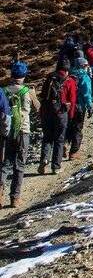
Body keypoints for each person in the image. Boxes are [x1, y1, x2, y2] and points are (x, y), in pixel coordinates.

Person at [1, 60, 37, 207]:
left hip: (6, 131)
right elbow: (38, 108)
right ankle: (15, 197)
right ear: (24, 75)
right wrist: (34, 95)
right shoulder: (26, 91)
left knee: (5, 163)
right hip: (23, 130)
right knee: (19, 164)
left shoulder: (3, 90)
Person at [38, 61, 77, 175]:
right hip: (61, 113)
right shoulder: (69, 81)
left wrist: (42, 114)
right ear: (66, 70)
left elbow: (43, 97)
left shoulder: (49, 79)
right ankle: (55, 166)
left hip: (47, 112)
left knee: (47, 138)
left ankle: (44, 159)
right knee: (59, 140)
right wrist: (70, 115)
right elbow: (73, 100)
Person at [66, 57, 92, 160]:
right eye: (86, 65)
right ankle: (73, 152)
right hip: (79, 106)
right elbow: (87, 93)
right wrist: (89, 106)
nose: (87, 67)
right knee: (77, 128)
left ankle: (62, 147)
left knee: (67, 126)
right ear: (83, 66)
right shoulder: (84, 77)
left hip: (67, 106)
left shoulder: (68, 75)